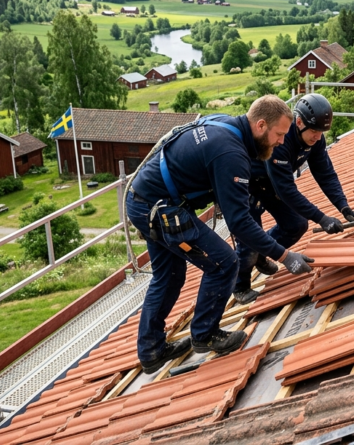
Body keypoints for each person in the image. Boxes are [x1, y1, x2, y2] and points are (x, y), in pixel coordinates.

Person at [125, 95, 315, 373]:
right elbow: (239, 223)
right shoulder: (230, 153)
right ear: (261, 125)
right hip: (156, 206)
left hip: (146, 199)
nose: (282, 141)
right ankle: (205, 334)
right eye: (279, 134)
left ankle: (152, 350)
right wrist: (285, 256)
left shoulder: (228, 127)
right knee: (224, 262)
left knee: (170, 276)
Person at [232, 93, 354, 304]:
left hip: (271, 183)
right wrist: (321, 218)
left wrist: (344, 208)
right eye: (314, 131)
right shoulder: (280, 139)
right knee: (249, 238)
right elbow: (286, 190)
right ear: (299, 122)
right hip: (248, 185)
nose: (318, 137)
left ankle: (262, 254)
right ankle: (240, 286)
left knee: (296, 224)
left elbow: (325, 174)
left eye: (321, 132)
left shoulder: (315, 139)